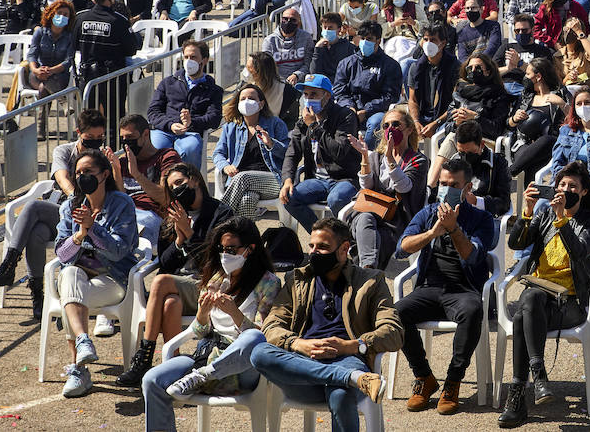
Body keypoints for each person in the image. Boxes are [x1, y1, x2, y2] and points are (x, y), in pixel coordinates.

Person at [248, 218, 398, 432]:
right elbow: (272, 325)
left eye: (323, 247)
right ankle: (351, 379)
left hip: (347, 359)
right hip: (302, 367)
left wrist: (352, 346)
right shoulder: (297, 279)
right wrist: (299, 344)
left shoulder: (370, 281)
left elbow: (393, 331)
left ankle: (347, 377)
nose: (314, 253)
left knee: (340, 394)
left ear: (344, 249)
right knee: (259, 352)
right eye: (312, 246)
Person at [141, 218, 281, 431]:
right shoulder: (217, 277)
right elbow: (199, 331)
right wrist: (203, 314)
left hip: (242, 369)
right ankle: (200, 376)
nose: (225, 255)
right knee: (152, 379)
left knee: (253, 338)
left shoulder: (268, 282)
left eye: (232, 249)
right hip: (205, 357)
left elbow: (267, 337)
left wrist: (236, 314)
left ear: (250, 249)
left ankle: (203, 376)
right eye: (222, 248)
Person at [497, 161, 590, 427]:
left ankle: (519, 396)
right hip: (539, 297)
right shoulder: (544, 214)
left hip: (569, 303)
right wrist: (528, 212)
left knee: (524, 312)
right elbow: (516, 243)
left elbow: (581, 252)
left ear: (583, 193)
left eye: (573, 187)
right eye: (562, 185)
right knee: (530, 300)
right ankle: (539, 377)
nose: (565, 190)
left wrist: (562, 220)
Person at [395, 157, 498, 415]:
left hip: (463, 290)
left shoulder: (482, 219)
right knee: (395, 313)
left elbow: (473, 257)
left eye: (453, 185)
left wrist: (453, 230)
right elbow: (401, 248)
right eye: (442, 183)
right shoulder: (428, 212)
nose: (445, 189)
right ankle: (424, 378)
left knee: (473, 311)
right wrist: (432, 233)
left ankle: (453, 381)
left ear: (467, 189)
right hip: (429, 287)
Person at [119, 162, 236, 386]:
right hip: (178, 289)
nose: (177, 190)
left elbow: (215, 263)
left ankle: (144, 358)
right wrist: (179, 241)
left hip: (208, 286)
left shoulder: (221, 213)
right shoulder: (172, 215)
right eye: (172, 188)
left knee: (161, 281)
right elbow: (163, 261)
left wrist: (190, 233)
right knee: (170, 303)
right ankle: (173, 369)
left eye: (180, 183)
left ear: (194, 178)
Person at [0, 109, 108, 319]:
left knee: (34, 212)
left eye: (100, 138)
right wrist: (74, 198)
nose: (95, 143)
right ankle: (38, 296)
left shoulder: (102, 157)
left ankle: (10, 266)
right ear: (79, 132)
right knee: (37, 231)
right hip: (64, 210)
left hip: (86, 216)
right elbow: (61, 178)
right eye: (90, 138)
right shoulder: (64, 151)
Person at [52, 149, 141, 398]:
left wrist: (93, 229)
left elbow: (118, 251)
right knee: (69, 276)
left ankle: (78, 372)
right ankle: (83, 343)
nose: (82, 177)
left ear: (104, 174)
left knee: (70, 297)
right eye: (78, 173)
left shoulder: (122, 204)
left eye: (88, 172)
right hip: (81, 279)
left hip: (113, 279)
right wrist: (79, 235)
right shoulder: (70, 206)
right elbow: (63, 254)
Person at [279, 74, 362, 231]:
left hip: (345, 178)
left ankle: (348, 239)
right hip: (317, 179)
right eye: (306, 94)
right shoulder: (304, 121)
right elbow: (292, 152)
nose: (309, 99)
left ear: (327, 95)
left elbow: (339, 151)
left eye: (314, 94)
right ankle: (322, 235)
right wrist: (288, 180)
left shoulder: (345, 116)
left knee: (336, 199)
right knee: (287, 197)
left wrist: (314, 127)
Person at [350, 109, 429, 269]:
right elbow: (367, 187)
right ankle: (369, 271)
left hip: (398, 218)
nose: (390, 129)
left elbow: (404, 187)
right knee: (365, 219)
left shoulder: (418, 160)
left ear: (409, 129)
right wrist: (365, 157)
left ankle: (366, 272)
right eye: (386, 125)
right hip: (373, 211)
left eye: (396, 124)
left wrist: (391, 159)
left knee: (374, 234)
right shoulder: (376, 156)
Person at [213, 82, 290, 219]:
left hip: (271, 180)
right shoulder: (230, 127)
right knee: (247, 200)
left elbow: (289, 154)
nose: (247, 102)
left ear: (261, 104)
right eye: (243, 99)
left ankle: (216, 221)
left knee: (244, 177)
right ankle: (244, 238)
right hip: (240, 184)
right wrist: (225, 166)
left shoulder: (275, 123)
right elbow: (218, 153)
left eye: (252, 98)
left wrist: (271, 143)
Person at [147, 40, 224, 169]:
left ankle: (189, 185)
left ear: (204, 60)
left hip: (191, 133)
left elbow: (214, 118)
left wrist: (191, 122)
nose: (189, 60)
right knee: (155, 149)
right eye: (186, 57)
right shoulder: (168, 83)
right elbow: (153, 111)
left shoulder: (214, 90)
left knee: (189, 150)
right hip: (165, 131)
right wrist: (170, 125)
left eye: (193, 57)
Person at [74, 0, 140, 120]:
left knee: (89, 121)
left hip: (88, 77)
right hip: (113, 79)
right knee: (114, 120)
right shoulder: (119, 21)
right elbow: (131, 49)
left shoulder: (81, 18)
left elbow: (74, 46)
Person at [334, 22, 404, 145]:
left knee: (376, 123)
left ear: (378, 40)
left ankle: (367, 157)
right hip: (349, 109)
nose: (365, 42)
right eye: (362, 38)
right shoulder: (346, 63)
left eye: (369, 39)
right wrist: (350, 107)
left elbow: (390, 95)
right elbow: (340, 90)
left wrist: (366, 111)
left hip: (375, 112)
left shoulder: (390, 65)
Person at [264, 8, 315, 84]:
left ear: (298, 23)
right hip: (276, 82)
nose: (288, 22)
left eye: (293, 20)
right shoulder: (269, 40)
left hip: (300, 81)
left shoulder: (306, 38)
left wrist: (297, 75)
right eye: (285, 19)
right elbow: (266, 65)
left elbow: (308, 63)